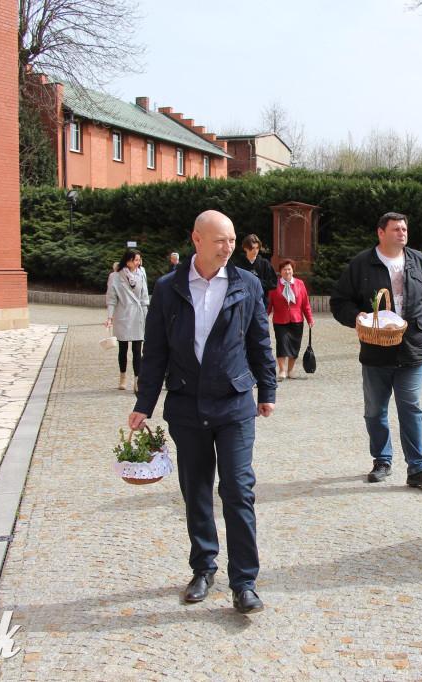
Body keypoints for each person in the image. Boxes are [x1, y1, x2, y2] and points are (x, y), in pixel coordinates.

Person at [129, 210, 277, 615]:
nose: (229, 248)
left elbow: (260, 341)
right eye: (220, 241)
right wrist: (145, 404)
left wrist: (268, 389)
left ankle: (244, 582)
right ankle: (203, 568)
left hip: (233, 403)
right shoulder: (167, 288)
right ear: (196, 239)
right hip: (186, 405)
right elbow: (154, 350)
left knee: (238, 490)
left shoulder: (247, 284)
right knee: (195, 492)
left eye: (231, 240)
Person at [330, 211, 422, 488]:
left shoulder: (419, 261)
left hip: (414, 347)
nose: (401, 233)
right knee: (375, 410)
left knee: (411, 408)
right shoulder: (362, 263)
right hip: (376, 351)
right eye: (395, 229)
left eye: (404, 228)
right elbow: (339, 301)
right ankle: (382, 460)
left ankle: (418, 468)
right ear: (381, 233)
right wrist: (356, 317)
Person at [106, 248, 149, 391]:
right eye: (135, 260)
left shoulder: (141, 273)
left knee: (138, 349)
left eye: (139, 260)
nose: (138, 263)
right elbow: (111, 298)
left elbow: (144, 296)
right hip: (123, 315)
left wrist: (146, 315)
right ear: (128, 261)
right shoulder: (116, 276)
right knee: (123, 348)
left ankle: (137, 380)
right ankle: (122, 377)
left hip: (138, 315)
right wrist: (109, 317)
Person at [267, 258, 314, 380]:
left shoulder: (300, 284)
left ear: (293, 270)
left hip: (297, 319)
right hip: (280, 320)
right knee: (281, 343)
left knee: (295, 344)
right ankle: (282, 370)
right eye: (284, 269)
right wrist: (262, 319)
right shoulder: (274, 284)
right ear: (280, 271)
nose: (287, 272)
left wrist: (309, 319)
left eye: (289, 269)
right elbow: (269, 304)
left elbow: (305, 303)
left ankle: (290, 370)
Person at [235, 234, 277, 307]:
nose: (255, 251)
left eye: (257, 248)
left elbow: (274, 283)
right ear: (245, 248)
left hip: (261, 304)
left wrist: (257, 282)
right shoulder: (238, 265)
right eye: (252, 248)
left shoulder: (265, 264)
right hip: (243, 304)